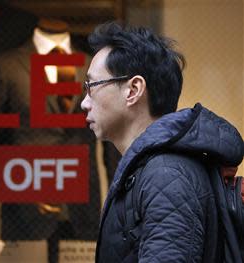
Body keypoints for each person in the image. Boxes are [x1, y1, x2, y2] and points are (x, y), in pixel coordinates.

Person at [80, 22, 244, 262]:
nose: (84, 102)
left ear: (133, 90)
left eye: (91, 86)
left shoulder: (166, 174)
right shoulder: (153, 169)